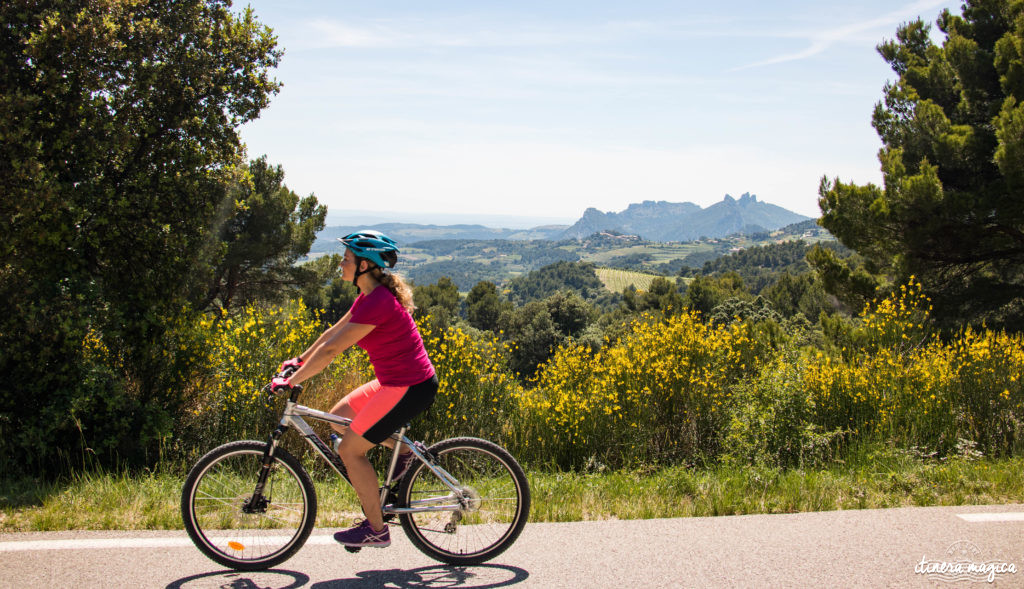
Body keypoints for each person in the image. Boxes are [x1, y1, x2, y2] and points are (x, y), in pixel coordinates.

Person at [272, 230, 437, 549]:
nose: (341, 263)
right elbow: (331, 333)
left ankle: (376, 530)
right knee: (337, 418)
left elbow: (333, 351)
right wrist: (299, 360)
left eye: (347, 259)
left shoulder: (378, 302)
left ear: (365, 265)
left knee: (349, 450)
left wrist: (292, 381)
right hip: (395, 380)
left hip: (409, 385)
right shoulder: (367, 295)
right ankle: (404, 452)